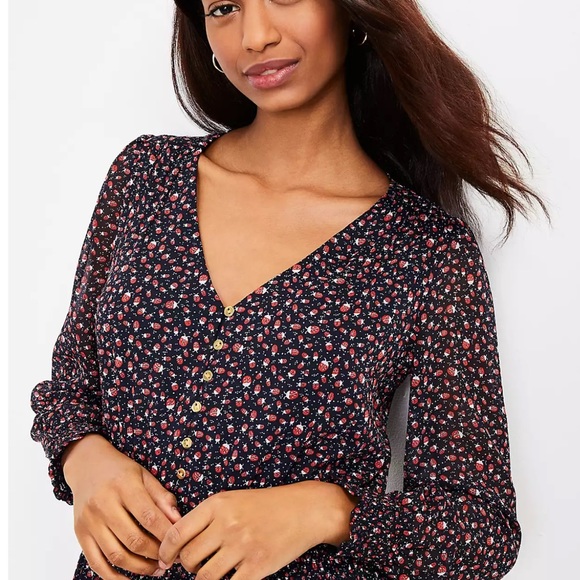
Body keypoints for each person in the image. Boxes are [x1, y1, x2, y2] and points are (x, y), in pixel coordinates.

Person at [30, 0, 550, 579]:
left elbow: (481, 532)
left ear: (349, 11)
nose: (254, 36)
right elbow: (70, 387)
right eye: (223, 7)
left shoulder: (425, 251)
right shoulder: (145, 177)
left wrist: (324, 512)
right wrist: (85, 460)